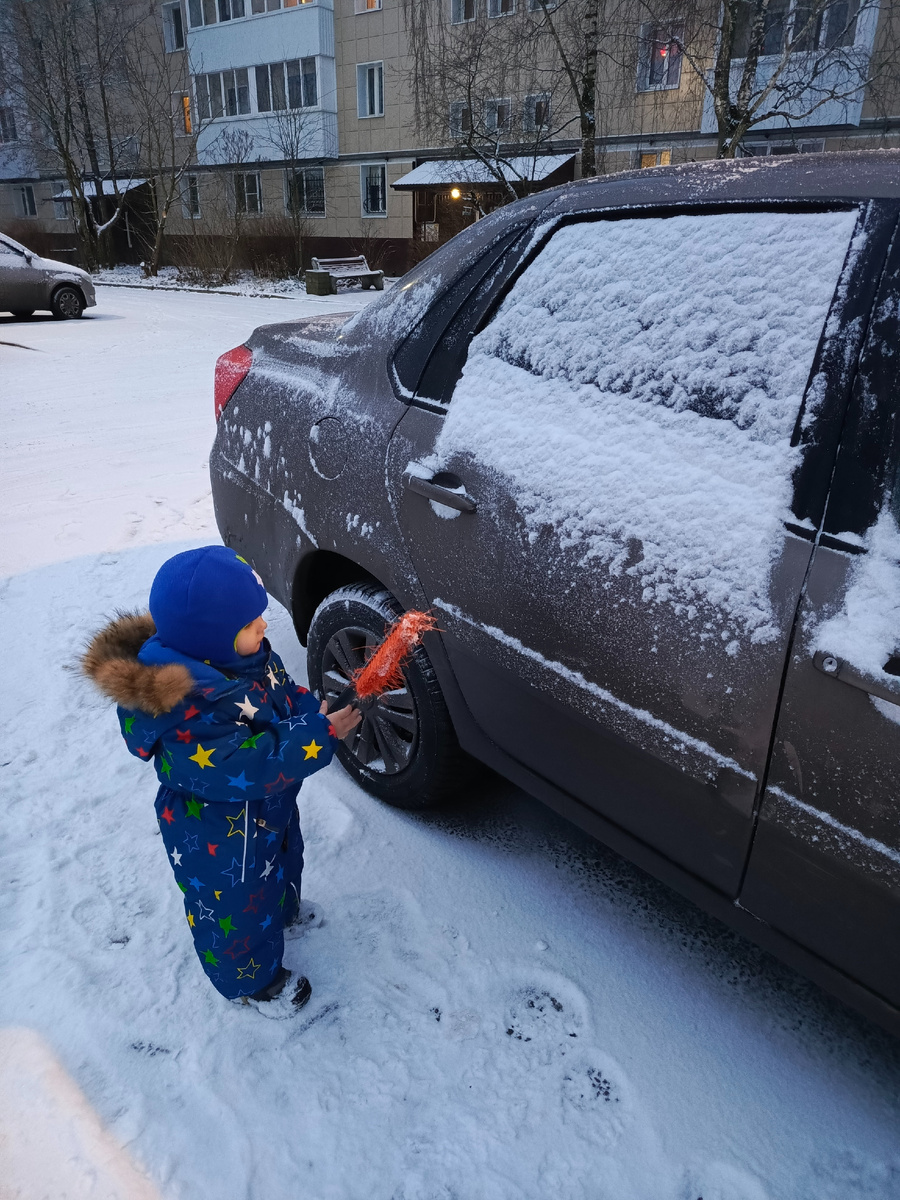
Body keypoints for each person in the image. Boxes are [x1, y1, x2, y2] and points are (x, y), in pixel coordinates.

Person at [82, 545, 360, 1014]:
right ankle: (253, 981)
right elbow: (247, 764)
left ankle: (283, 912)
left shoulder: (246, 659)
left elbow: (280, 694)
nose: (264, 627)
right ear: (211, 638)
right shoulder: (185, 708)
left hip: (266, 813)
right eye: (251, 625)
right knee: (234, 912)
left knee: (282, 865)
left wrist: (310, 711)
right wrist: (320, 735)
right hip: (216, 835)